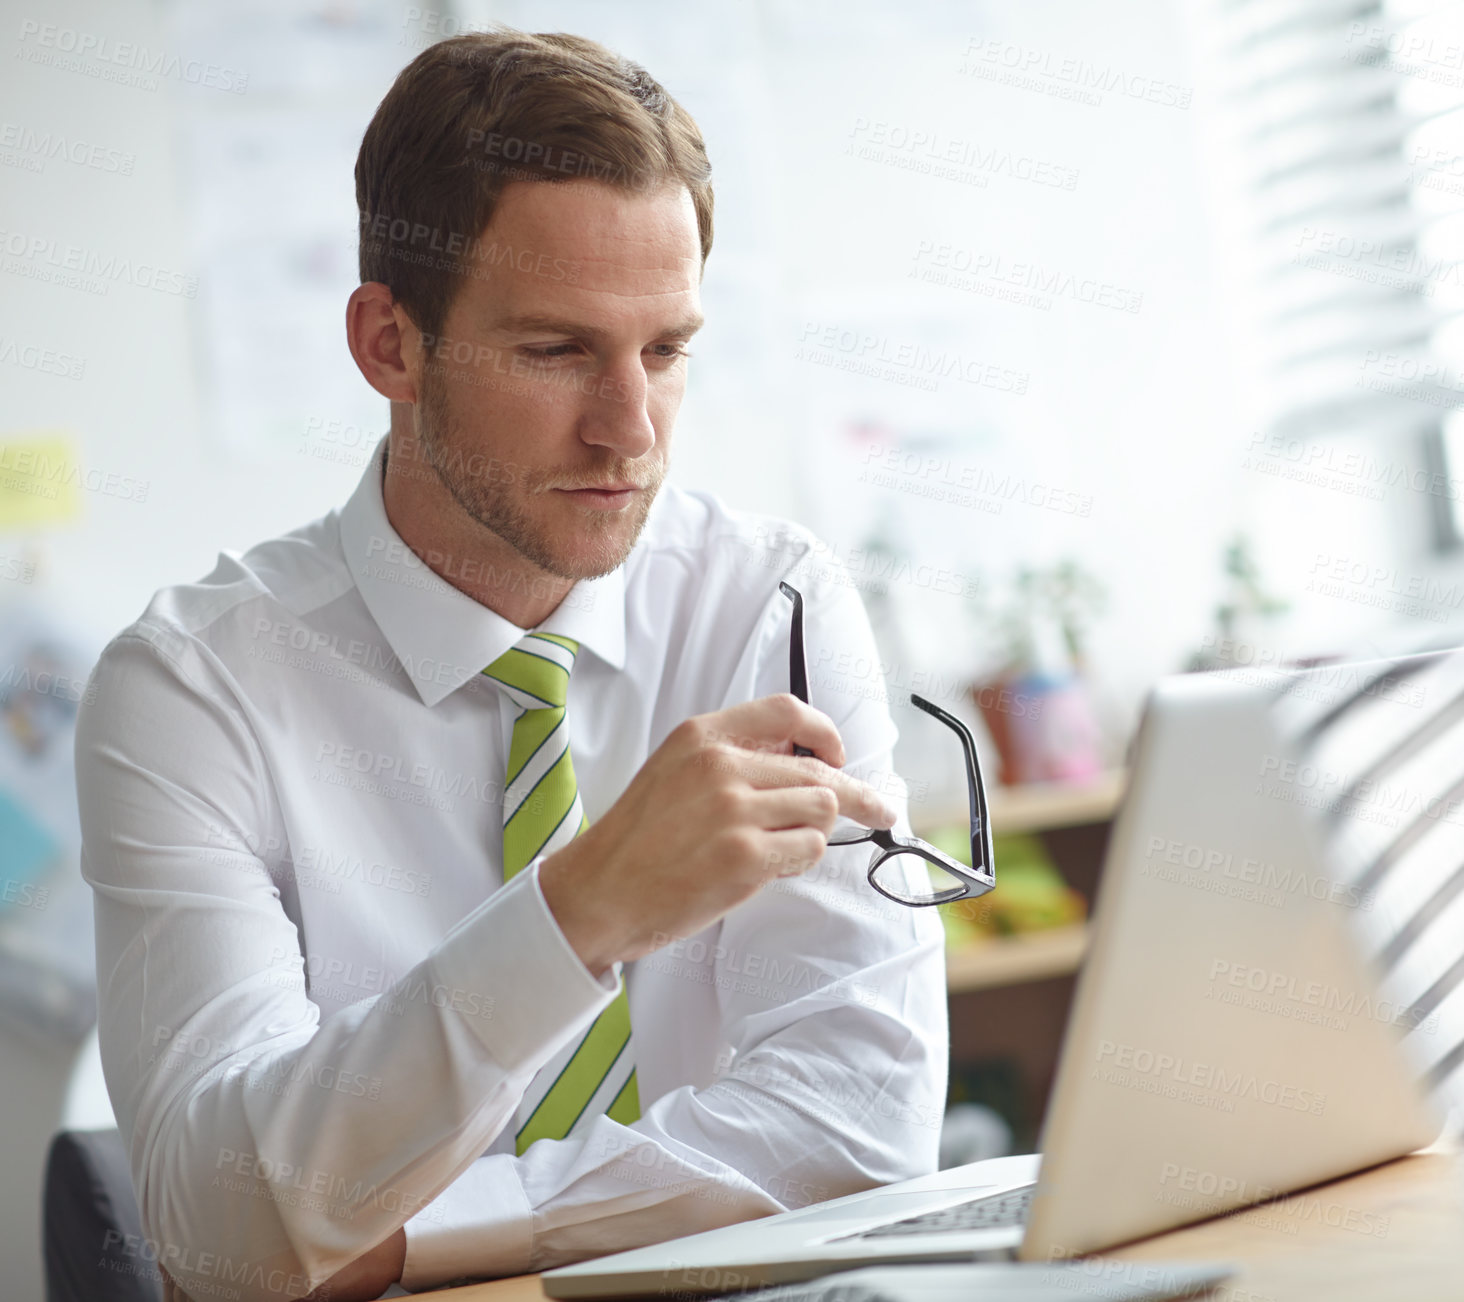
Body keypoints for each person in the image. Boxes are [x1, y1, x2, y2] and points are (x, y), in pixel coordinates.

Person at [77, 28, 947, 1301]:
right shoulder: (191, 690)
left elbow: (862, 1130)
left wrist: (428, 1233)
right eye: (555, 352)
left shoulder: (771, 606)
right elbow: (222, 1239)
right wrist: (576, 913)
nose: (630, 431)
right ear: (389, 346)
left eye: (665, 351)